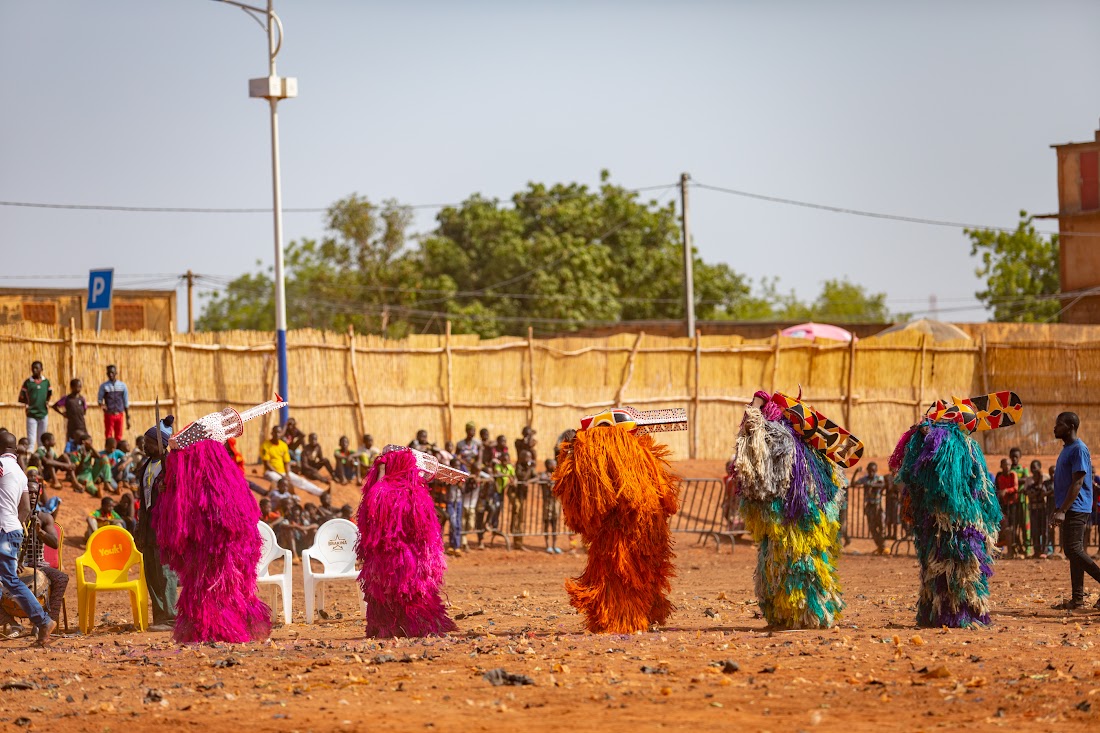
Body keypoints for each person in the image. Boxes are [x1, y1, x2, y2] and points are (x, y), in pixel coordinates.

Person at [0, 430, 57, 645]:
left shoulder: (1, 466)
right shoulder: (21, 473)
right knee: (7, 579)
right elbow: (24, 508)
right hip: (12, 529)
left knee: (10, 580)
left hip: (3, 530)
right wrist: (13, 526)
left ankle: (43, 621)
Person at [1050, 412, 1100, 610]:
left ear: (1070, 426)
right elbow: (1064, 482)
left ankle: (1078, 598)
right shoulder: (1068, 449)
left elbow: (1078, 481)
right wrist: (1057, 509)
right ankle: (1077, 599)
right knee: (1073, 551)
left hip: (1077, 506)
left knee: (1073, 549)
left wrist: (1063, 509)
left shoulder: (1079, 448)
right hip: (1070, 506)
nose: (1054, 427)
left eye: (1058, 424)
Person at [135, 419, 178, 631]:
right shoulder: (145, 467)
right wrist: (139, 528)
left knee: (165, 571)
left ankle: (171, 616)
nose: (144, 446)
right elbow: (143, 500)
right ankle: (160, 616)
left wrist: (168, 487)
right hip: (147, 525)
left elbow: (180, 493)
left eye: (148, 442)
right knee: (151, 571)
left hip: (165, 524)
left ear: (159, 444)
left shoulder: (171, 464)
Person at [261, 425, 323, 497]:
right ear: (272, 433)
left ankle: (321, 492)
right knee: (281, 481)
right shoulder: (265, 445)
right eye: (276, 432)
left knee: (301, 481)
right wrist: (281, 475)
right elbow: (267, 464)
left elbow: (287, 462)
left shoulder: (283, 445)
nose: (278, 434)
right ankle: (291, 496)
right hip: (271, 472)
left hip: (284, 472)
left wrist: (287, 474)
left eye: (279, 433)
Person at [18, 361, 52, 453]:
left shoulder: (46, 382)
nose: (34, 370)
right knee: (31, 440)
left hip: (43, 413)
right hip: (31, 414)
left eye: (37, 368)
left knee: (42, 440)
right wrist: (28, 404)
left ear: (42, 369)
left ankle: (41, 460)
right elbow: (21, 397)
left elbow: (49, 393)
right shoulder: (28, 382)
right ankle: (30, 460)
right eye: (33, 368)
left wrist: (46, 402)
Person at [854, 463, 886, 555]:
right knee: (872, 528)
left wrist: (871, 485)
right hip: (869, 506)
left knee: (882, 527)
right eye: (870, 471)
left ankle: (882, 546)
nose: (871, 472)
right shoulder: (865, 479)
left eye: (873, 471)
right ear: (867, 470)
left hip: (878, 506)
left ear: (876, 471)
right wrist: (856, 473)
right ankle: (880, 546)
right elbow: (853, 483)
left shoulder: (879, 478)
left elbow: (882, 484)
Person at [51, 379, 87, 454]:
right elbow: (55, 406)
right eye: (77, 387)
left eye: (80, 387)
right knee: (71, 443)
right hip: (72, 426)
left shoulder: (82, 399)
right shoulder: (67, 399)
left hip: (81, 425)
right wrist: (62, 414)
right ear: (72, 387)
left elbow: (84, 410)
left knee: (83, 443)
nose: (79, 389)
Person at [97, 365, 131, 443]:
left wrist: (128, 418)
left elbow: (126, 402)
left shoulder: (122, 386)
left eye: (112, 372)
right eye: (109, 373)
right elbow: (99, 400)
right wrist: (102, 405)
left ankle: (117, 452)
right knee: (108, 435)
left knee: (119, 435)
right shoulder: (104, 386)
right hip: (109, 414)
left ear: (116, 373)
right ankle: (109, 452)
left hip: (119, 414)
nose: (110, 374)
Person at [1024, 460, 1050, 559]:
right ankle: (1036, 550)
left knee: (1044, 530)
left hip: (1044, 508)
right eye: (1032, 467)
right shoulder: (1029, 480)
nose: (1034, 470)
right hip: (1033, 508)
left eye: (1035, 467)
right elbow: (1027, 492)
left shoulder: (1046, 478)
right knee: (1035, 530)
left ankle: (1045, 550)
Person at [996, 458, 1020, 556]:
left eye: (1009, 465)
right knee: (1005, 526)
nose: (1007, 467)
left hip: (1013, 504)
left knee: (1013, 525)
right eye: (1005, 465)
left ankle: (1014, 548)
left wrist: (1006, 491)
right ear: (1001, 466)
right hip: (1004, 504)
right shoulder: (1000, 477)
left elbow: (1015, 487)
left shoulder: (1013, 474)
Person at [1009, 447, 1031, 555]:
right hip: (1012, 502)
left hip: (1023, 501)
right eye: (1012, 457)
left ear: (1020, 457)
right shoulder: (1008, 469)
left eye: (1016, 457)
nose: (1014, 459)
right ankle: (1017, 547)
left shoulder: (1023, 468)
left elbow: (1027, 479)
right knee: (1014, 525)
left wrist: (1014, 478)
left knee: (1025, 525)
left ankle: (1027, 548)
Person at [538, 458, 562, 554]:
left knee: (555, 523)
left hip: (555, 502)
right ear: (548, 465)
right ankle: (548, 545)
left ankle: (554, 545)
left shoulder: (557, 475)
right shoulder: (544, 474)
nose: (555, 466)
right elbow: (541, 479)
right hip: (547, 502)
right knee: (547, 523)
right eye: (553, 464)